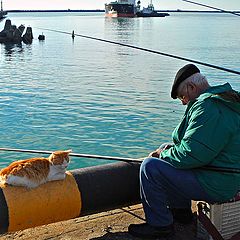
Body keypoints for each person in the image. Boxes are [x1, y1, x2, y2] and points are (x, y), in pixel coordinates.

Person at [128, 64, 240, 239]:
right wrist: (168, 150)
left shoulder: (208, 108)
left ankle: (160, 225)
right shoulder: (227, 100)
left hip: (217, 184)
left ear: (192, 87)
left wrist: (161, 154)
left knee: (150, 167)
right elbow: (198, 149)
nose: (182, 102)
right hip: (227, 177)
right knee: (169, 149)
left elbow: (190, 155)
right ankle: (181, 213)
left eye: (182, 96)